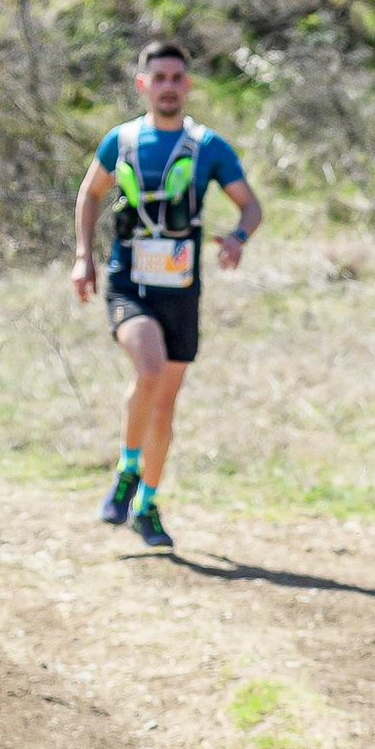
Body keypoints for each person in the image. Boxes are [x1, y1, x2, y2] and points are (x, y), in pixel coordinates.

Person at [69, 40, 263, 552]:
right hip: (129, 285)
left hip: (181, 291)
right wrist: (83, 256)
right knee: (149, 369)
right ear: (143, 85)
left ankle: (148, 505)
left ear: (188, 85)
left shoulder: (208, 147)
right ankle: (126, 472)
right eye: (159, 78)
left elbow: (250, 206)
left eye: (177, 77)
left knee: (163, 408)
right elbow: (90, 194)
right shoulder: (123, 140)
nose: (169, 86)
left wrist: (237, 239)